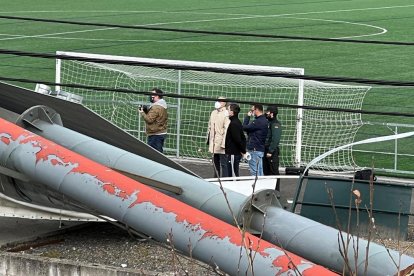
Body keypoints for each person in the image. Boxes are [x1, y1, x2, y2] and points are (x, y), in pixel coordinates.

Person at [138, 88, 168, 153]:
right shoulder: (161, 105)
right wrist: (146, 111)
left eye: (152, 94)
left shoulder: (156, 107)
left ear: (157, 96)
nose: (150, 96)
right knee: (158, 153)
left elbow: (149, 120)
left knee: (155, 155)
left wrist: (142, 112)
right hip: (159, 132)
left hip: (156, 134)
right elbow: (155, 117)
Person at [243, 104, 268, 176]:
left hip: (254, 149)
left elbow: (244, 127)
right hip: (259, 149)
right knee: (260, 171)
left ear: (256, 110)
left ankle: (256, 187)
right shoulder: (263, 120)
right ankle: (261, 186)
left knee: (254, 172)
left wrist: (247, 116)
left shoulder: (258, 122)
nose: (251, 112)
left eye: (252, 110)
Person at [207, 97, 230, 177]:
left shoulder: (226, 113)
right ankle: (216, 178)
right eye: (218, 100)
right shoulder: (213, 113)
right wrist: (209, 140)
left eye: (220, 101)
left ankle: (225, 180)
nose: (218, 102)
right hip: (213, 142)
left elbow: (227, 130)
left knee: (224, 164)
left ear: (224, 103)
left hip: (221, 143)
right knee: (215, 163)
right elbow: (210, 127)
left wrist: (224, 144)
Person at [263, 105, 282, 191]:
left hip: (271, 152)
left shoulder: (275, 124)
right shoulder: (269, 122)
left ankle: (276, 191)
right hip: (266, 150)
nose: (266, 113)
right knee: (266, 171)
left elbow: (275, 139)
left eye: (267, 112)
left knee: (273, 172)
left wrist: (270, 151)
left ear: (272, 113)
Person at [225, 103, 246, 177]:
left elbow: (237, 139)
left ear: (232, 112)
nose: (227, 111)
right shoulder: (236, 122)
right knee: (232, 173)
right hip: (233, 152)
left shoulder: (234, 123)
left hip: (233, 153)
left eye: (228, 110)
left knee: (233, 174)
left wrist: (243, 151)